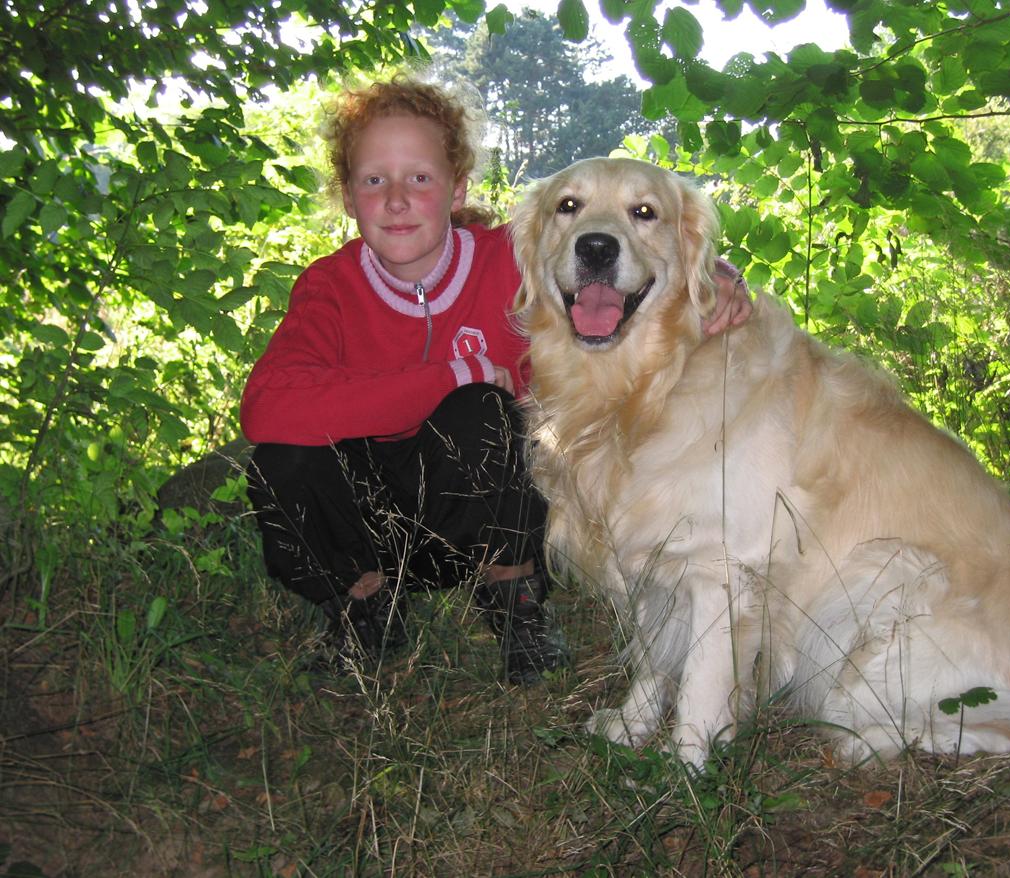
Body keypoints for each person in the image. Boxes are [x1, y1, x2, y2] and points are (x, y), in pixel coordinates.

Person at [240, 75, 751, 683]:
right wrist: (451, 374)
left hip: (485, 523)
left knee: (481, 409)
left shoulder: (510, 260)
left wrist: (717, 276)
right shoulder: (330, 287)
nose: (397, 199)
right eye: (374, 180)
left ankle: (516, 603)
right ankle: (365, 609)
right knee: (283, 459)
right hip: (371, 525)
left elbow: (615, 246)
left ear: (457, 188)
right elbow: (265, 409)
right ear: (349, 196)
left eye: (419, 178)